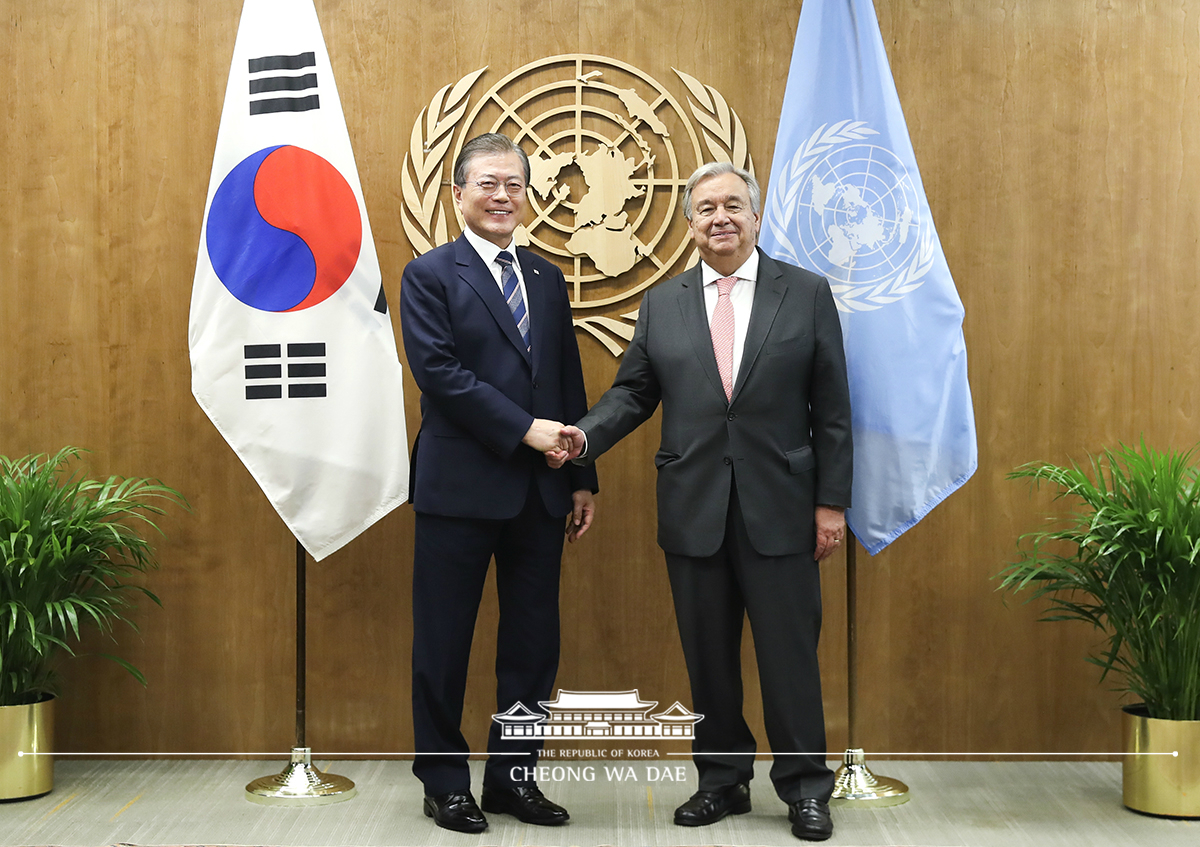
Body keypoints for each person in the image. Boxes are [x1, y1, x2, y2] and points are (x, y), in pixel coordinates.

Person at [554, 162, 852, 842]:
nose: (720, 217)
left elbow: (832, 409)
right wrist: (582, 437)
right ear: (689, 224)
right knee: (708, 659)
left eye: (732, 206)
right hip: (694, 508)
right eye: (706, 208)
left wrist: (831, 502)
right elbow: (634, 393)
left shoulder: (805, 293)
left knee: (789, 659)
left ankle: (805, 787)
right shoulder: (664, 302)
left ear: (755, 217)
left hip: (782, 506)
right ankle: (722, 781)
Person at [399, 133, 598, 834]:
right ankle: (444, 781)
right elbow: (442, 377)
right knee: (444, 643)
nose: (502, 196)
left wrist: (581, 474)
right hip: (459, 488)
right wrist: (527, 430)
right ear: (458, 195)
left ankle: (513, 778)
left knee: (532, 643)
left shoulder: (546, 277)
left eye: (515, 185)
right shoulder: (429, 275)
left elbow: (567, 379)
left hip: (541, 494)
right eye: (488, 184)